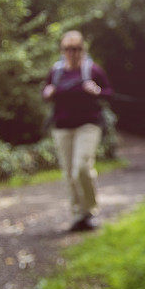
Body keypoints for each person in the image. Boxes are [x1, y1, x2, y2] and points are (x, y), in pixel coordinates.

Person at [42, 31, 113, 232]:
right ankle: (77, 215)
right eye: (67, 49)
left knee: (81, 168)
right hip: (62, 128)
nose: (72, 53)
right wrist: (47, 93)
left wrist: (97, 90)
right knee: (68, 174)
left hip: (89, 125)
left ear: (83, 49)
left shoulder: (93, 70)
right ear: (62, 50)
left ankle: (90, 211)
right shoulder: (55, 71)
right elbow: (45, 92)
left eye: (76, 49)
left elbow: (109, 93)